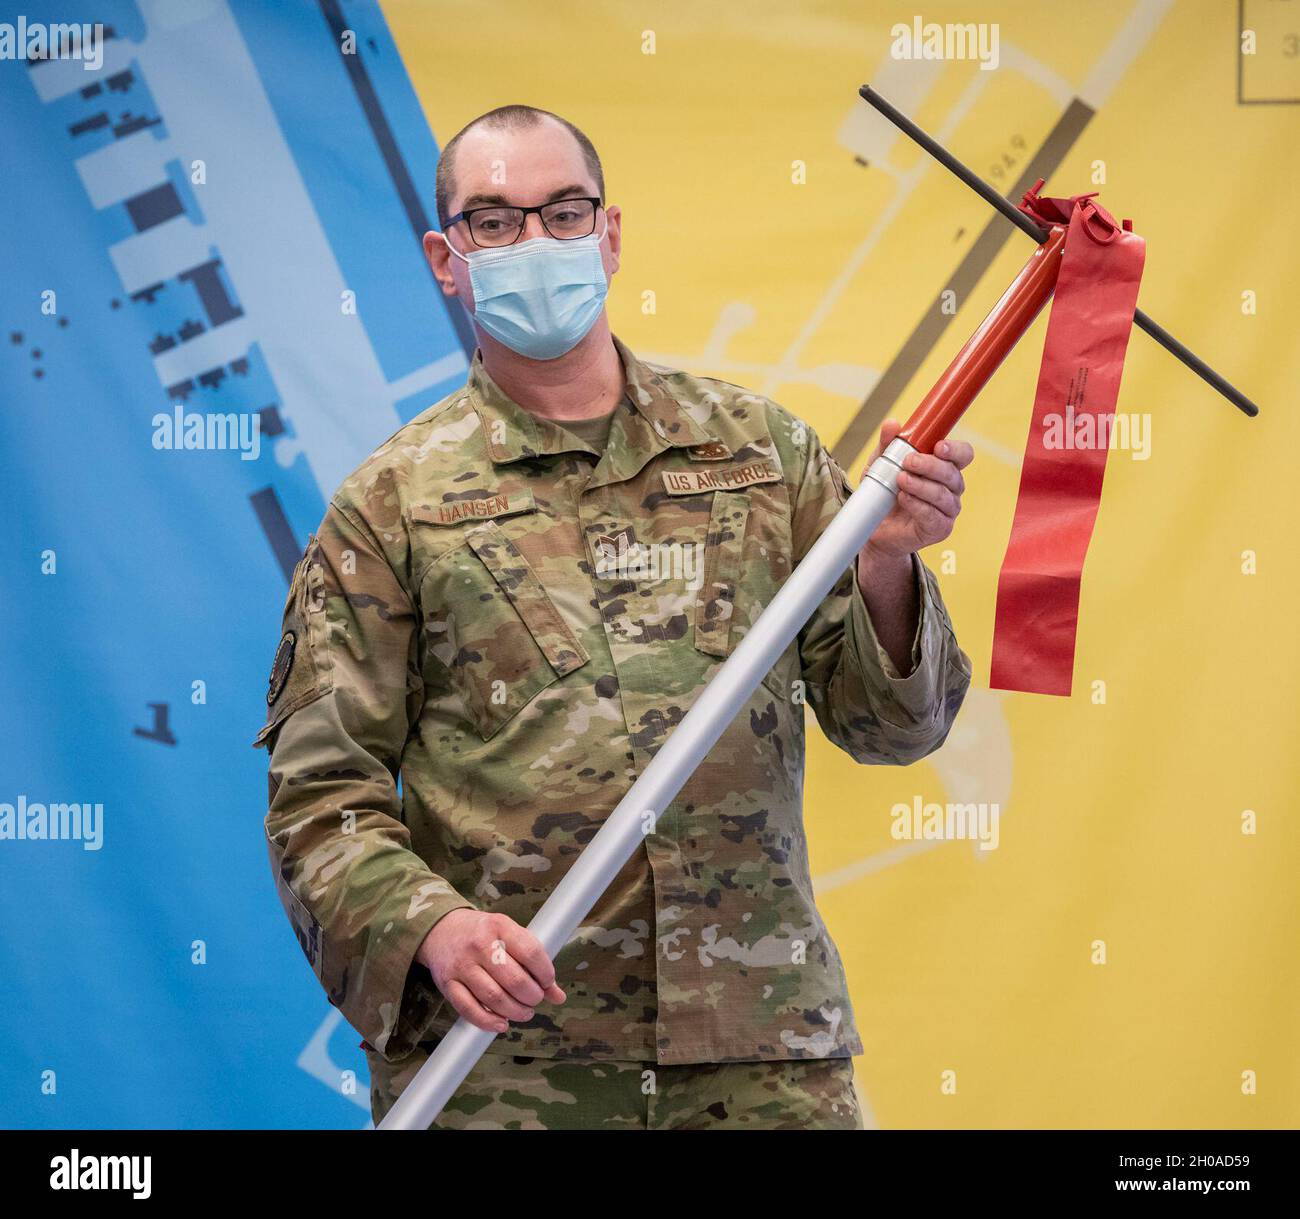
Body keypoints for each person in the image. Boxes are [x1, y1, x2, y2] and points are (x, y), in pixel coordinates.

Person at [256, 104, 974, 1130]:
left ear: (611, 233)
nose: (534, 242)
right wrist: (433, 926)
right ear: (445, 258)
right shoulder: (391, 507)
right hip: (511, 1066)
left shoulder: (760, 456)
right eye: (494, 222)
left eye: (562, 211)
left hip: (758, 1049)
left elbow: (894, 727)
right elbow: (320, 798)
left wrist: (888, 558)